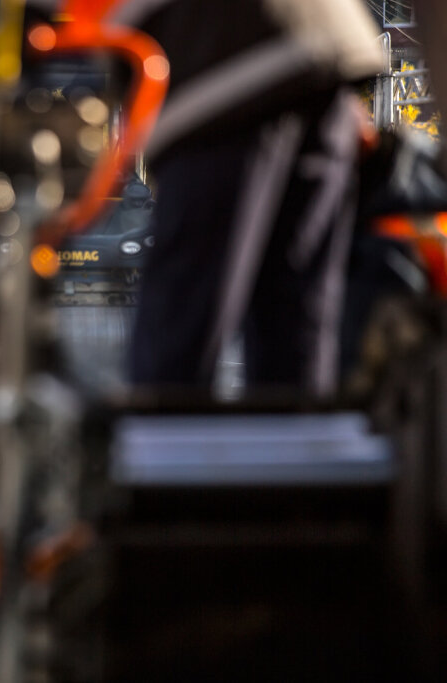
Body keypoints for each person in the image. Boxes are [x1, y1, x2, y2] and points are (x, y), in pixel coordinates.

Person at [118, 0, 384, 398]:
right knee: (296, 328)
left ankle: (160, 452)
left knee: (179, 339)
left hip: (220, 66)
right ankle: (299, 452)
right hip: (328, 51)